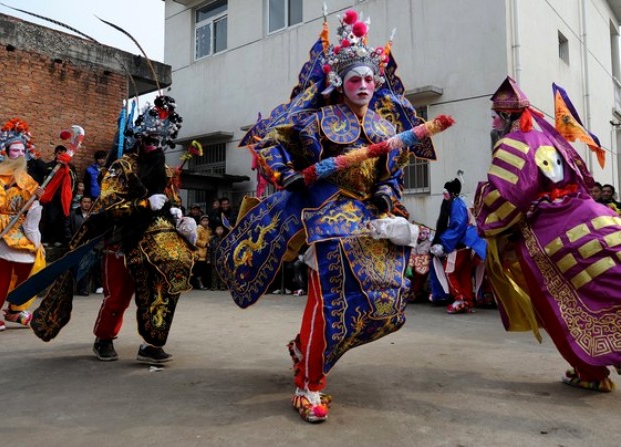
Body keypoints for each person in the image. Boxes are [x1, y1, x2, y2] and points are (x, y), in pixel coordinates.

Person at [216, 9, 451, 423]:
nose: (362, 86)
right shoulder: (316, 122)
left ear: (376, 83)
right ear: (341, 84)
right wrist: (285, 174)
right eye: (354, 79)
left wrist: (383, 198)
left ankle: (305, 348)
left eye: (368, 79)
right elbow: (271, 143)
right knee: (328, 302)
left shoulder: (385, 129)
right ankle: (309, 384)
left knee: (387, 303)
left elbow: (390, 177)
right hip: (324, 215)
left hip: (367, 218)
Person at [475, 76, 621, 392]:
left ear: (506, 116)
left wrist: (483, 211)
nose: (492, 122)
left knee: (556, 306)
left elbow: (507, 198)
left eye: (494, 116)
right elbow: (583, 180)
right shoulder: (550, 139)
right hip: (591, 214)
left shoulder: (512, 143)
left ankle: (590, 373)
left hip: (548, 228)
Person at [26, 95, 197, 366]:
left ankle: (152, 343)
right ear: (140, 140)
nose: (157, 147)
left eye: (162, 142)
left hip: (157, 239)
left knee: (161, 291)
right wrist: (144, 203)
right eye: (152, 141)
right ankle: (104, 338)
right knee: (118, 297)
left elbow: (171, 198)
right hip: (121, 240)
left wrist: (177, 212)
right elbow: (107, 206)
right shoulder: (121, 167)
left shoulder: (165, 171)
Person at [0, 119, 45, 331]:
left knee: (31, 267)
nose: (19, 154)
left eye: (22, 150)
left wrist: (37, 197)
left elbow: (32, 208)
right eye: (14, 150)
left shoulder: (27, 180)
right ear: (4, 151)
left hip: (19, 232)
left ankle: (15, 310)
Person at [429, 178, 486, 314]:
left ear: (452, 193)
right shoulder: (457, 203)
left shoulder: (456, 204)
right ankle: (467, 300)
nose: (444, 197)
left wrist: (443, 242)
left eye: (445, 193)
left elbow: (458, 227)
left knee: (449, 271)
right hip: (464, 244)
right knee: (464, 273)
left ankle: (459, 298)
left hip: (458, 244)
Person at [192, 215, 210, 290]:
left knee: (204, 270)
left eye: (207, 221)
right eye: (204, 221)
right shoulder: (198, 229)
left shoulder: (208, 230)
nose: (206, 222)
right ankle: (199, 284)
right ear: (200, 222)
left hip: (206, 253)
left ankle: (204, 283)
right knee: (199, 270)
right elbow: (195, 240)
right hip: (199, 252)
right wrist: (205, 244)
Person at [207, 224, 227, 291]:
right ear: (215, 231)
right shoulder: (212, 239)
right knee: (214, 273)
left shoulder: (225, 239)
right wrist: (208, 259)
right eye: (218, 229)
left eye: (221, 229)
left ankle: (222, 286)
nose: (220, 231)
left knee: (222, 272)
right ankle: (214, 286)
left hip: (222, 257)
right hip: (214, 257)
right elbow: (209, 250)